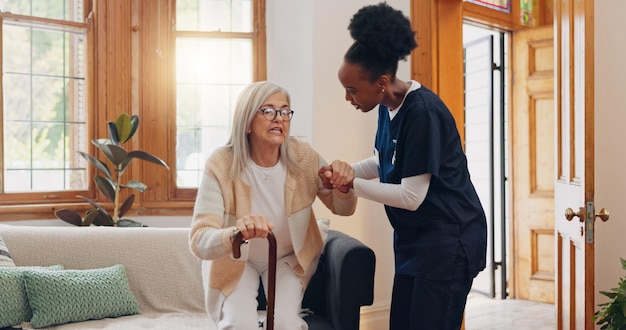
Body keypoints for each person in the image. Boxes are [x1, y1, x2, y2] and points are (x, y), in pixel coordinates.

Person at [319, 3, 487, 330]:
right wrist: (343, 172)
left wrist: (351, 184)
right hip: (415, 241)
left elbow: (412, 196)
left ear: (381, 83)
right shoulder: (386, 105)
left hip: (447, 241)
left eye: (352, 90)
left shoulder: (423, 113)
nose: (347, 98)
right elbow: (384, 162)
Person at [189, 81, 357, 329]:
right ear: (247, 122)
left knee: (286, 324)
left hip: (287, 258)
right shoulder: (221, 164)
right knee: (238, 323)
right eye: (268, 111)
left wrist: (343, 187)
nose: (279, 118)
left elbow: (344, 208)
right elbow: (199, 240)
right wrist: (236, 233)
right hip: (235, 261)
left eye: (285, 111)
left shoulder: (304, 158)